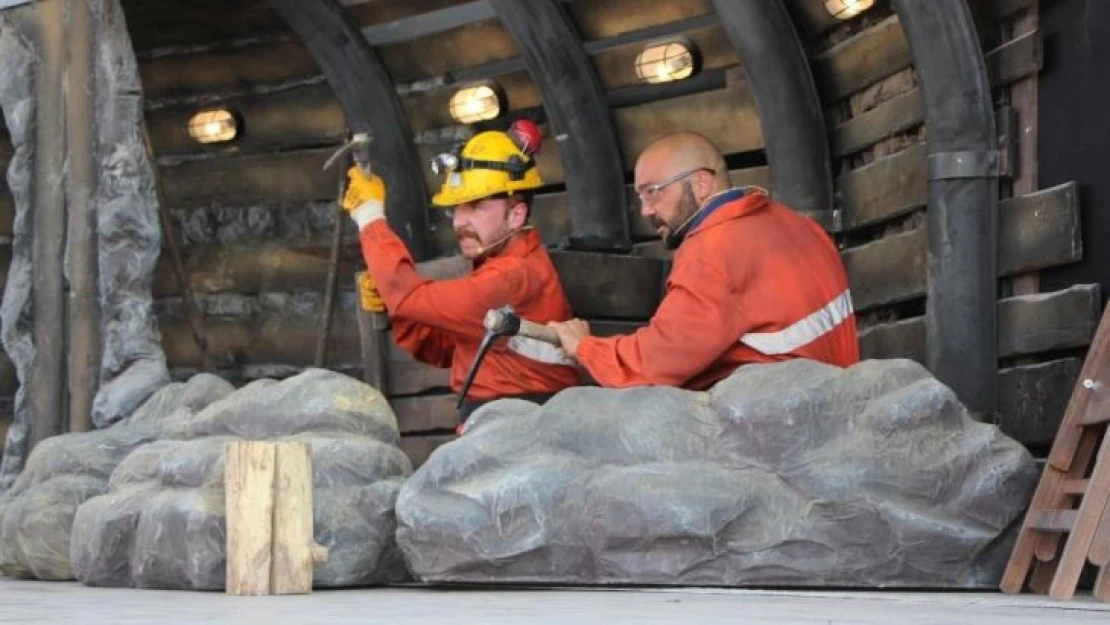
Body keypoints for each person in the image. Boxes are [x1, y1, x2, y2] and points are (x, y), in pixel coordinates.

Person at [549, 131, 859, 390]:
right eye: (641, 198)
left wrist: (585, 347)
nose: (645, 211)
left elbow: (656, 362)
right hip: (833, 408)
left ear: (701, 183)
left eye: (653, 192)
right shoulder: (800, 226)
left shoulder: (714, 250)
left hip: (774, 430)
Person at [343, 123, 580, 421]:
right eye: (456, 209)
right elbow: (443, 350)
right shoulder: (501, 270)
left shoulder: (509, 278)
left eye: (476, 207)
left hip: (519, 430)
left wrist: (369, 216)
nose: (459, 222)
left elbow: (407, 296)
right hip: (507, 423)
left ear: (516, 214)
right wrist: (398, 309)